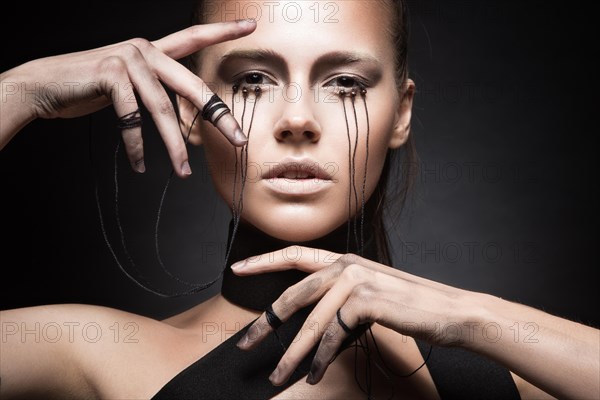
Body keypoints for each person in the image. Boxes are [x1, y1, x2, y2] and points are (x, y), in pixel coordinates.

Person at [0, 1, 598, 399]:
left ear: (403, 111)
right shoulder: (93, 356)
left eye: (345, 84)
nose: (297, 120)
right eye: (252, 80)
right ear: (187, 108)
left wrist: (470, 319)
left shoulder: (504, 368)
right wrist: (23, 91)